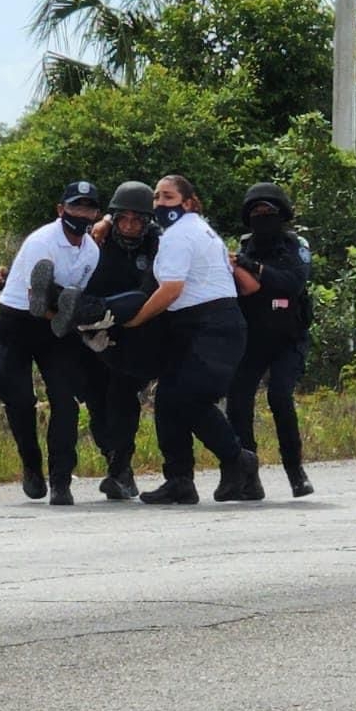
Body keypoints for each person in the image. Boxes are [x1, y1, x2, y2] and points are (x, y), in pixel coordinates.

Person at [121, 174, 260, 505]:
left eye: (167, 197)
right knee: (169, 400)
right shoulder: (198, 228)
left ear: (187, 202)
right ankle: (180, 480)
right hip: (200, 325)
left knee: (189, 399)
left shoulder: (179, 236)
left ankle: (240, 461)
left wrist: (136, 320)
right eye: (156, 197)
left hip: (210, 326)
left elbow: (170, 289)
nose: (159, 203)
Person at [0, 180, 102, 505]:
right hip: (20, 317)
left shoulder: (91, 251)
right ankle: (31, 465)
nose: (81, 213)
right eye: (75, 206)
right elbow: (32, 298)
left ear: (95, 213)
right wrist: (64, 313)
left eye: (88, 208)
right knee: (19, 398)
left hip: (55, 324)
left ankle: (61, 480)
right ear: (60, 209)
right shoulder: (42, 241)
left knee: (65, 401)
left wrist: (74, 314)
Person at [52, 180, 166, 500]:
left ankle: (120, 468)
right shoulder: (96, 241)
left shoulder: (158, 246)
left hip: (134, 333)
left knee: (121, 396)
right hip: (91, 333)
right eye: (123, 219)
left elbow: (148, 292)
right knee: (94, 398)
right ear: (113, 218)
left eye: (137, 220)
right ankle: (115, 463)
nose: (129, 226)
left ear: (148, 222)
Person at [228, 182, 315, 498]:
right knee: (238, 401)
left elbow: (290, 284)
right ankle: (247, 477)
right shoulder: (244, 246)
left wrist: (254, 268)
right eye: (256, 212)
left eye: (269, 212)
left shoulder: (295, 246)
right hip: (253, 339)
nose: (262, 217)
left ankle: (296, 472)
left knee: (280, 396)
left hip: (289, 339)